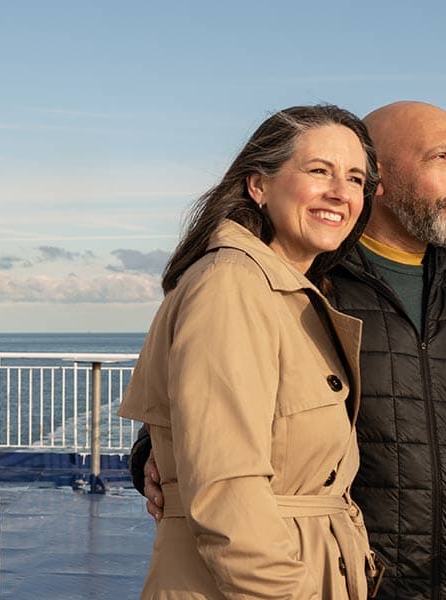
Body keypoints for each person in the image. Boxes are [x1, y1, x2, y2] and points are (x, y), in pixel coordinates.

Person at [132, 101, 446, 599]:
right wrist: (155, 453)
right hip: (347, 575)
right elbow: (212, 416)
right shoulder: (303, 281)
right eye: (443, 157)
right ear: (383, 176)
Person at [117, 104, 381, 599]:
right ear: (258, 186)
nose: (339, 192)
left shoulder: (283, 290)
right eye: (319, 171)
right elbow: (227, 492)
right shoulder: (232, 288)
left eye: (355, 178)